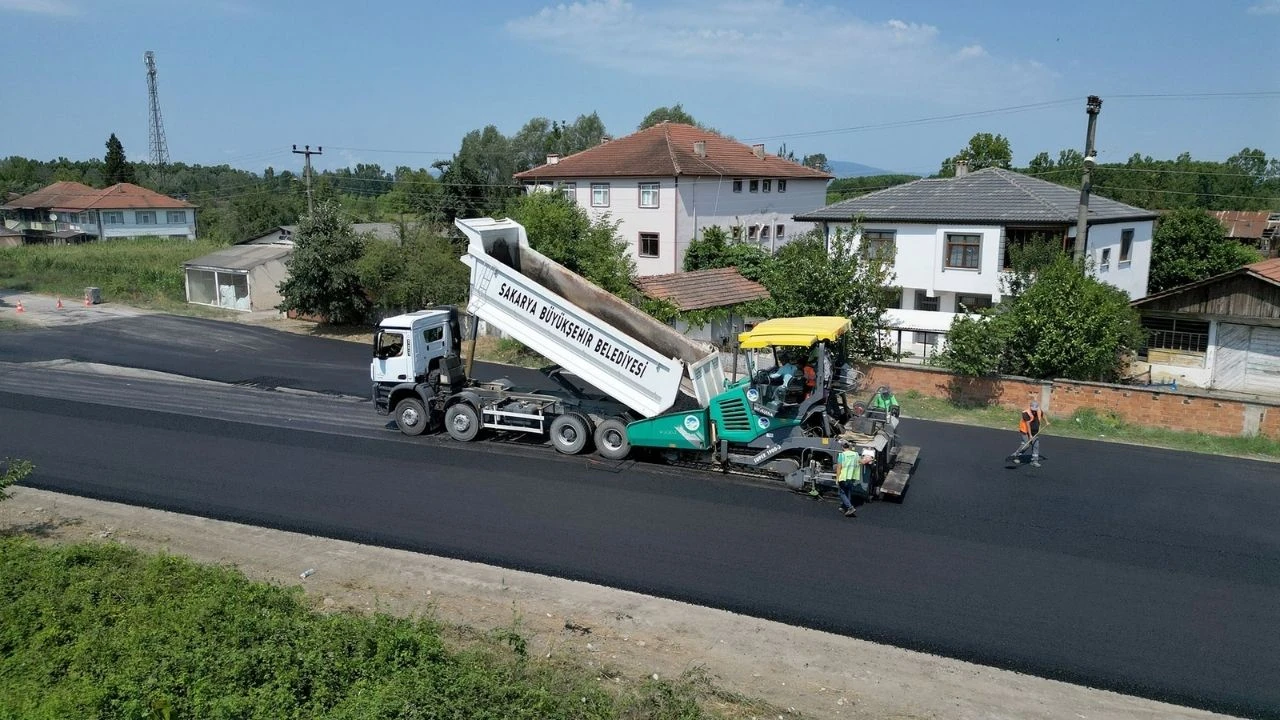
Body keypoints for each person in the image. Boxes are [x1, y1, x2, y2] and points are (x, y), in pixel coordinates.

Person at [1013, 399, 1047, 467]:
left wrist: (1046, 421)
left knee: (1036, 444)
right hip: (1025, 431)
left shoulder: (1039, 411)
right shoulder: (1025, 413)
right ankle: (1016, 455)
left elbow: (1043, 415)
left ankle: (1034, 461)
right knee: (1026, 445)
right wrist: (1030, 435)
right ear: (1030, 407)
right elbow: (1028, 425)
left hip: (1035, 431)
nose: (1034, 411)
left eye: (1035, 410)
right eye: (1033, 410)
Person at [833, 440, 860, 517]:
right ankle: (844, 507)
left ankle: (850, 507)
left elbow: (839, 468)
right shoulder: (855, 454)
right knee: (847, 491)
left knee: (841, 493)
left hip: (844, 476)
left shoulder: (842, 455)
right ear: (849, 446)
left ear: (842, 447)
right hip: (852, 476)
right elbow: (859, 462)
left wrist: (837, 478)